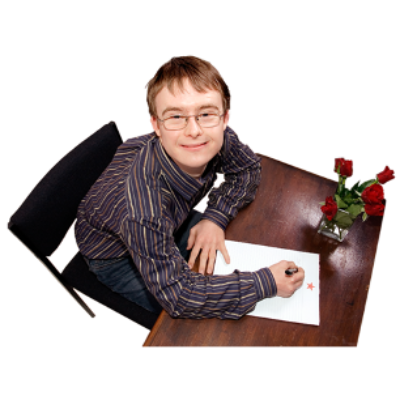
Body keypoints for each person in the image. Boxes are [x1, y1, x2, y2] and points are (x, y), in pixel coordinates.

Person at [74, 55, 304, 319]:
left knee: (228, 252)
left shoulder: (217, 136)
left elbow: (247, 169)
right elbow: (180, 297)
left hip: (168, 221)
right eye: (176, 116)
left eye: (206, 113)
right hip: (115, 257)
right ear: (156, 125)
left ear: (225, 117)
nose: (194, 130)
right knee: (189, 321)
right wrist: (266, 283)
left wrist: (215, 218)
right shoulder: (142, 212)